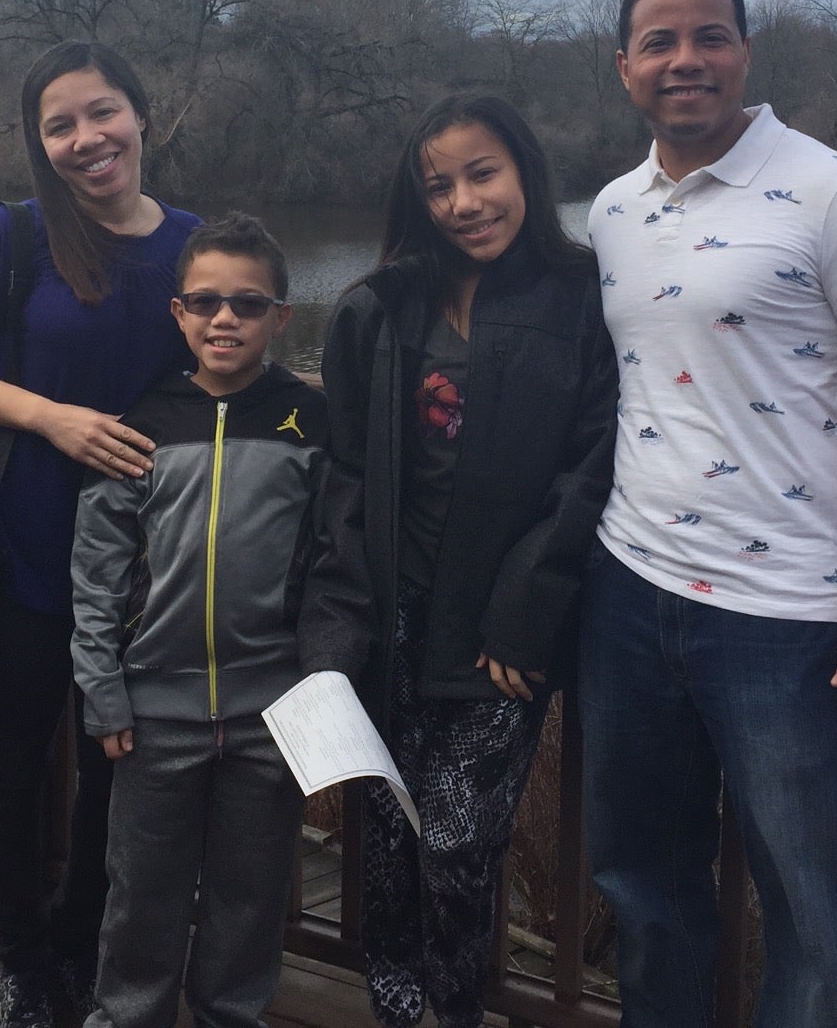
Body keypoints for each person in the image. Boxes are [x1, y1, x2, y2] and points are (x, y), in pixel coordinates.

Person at [580, 0, 837, 1028]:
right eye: (658, 42)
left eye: (709, 36)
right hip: (627, 587)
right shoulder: (613, 209)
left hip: (786, 616)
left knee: (812, 912)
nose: (684, 59)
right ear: (624, 69)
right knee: (642, 886)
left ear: (744, 52)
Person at [0, 41, 201, 1028]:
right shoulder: (14, 238)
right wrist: (51, 417)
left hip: (144, 562)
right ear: (40, 144)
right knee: (14, 761)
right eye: (61, 125)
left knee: (114, 762)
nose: (87, 139)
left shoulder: (196, 249)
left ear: (143, 116)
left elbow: (227, 371)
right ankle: (23, 959)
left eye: (102, 113)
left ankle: (85, 939)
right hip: (22, 551)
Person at [321, 92, 618, 1028]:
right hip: (391, 605)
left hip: (499, 623)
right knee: (384, 819)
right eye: (438, 186)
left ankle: (454, 1005)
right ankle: (396, 993)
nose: (464, 202)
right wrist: (336, 616)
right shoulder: (382, 304)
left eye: (481, 174)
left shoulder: (579, 295)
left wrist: (531, 602)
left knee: (454, 838)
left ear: (525, 169)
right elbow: (344, 474)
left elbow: (594, 461)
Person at [71, 212, 369, 1028]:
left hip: (268, 713)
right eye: (204, 302)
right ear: (178, 315)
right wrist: (102, 688)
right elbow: (97, 570)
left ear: (281, 316)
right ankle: (127, 1016)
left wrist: (313, 687)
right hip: (151, 714)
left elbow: (331, 566)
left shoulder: (309, 424)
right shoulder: (143, 424)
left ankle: (231, 1014)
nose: (224, 319)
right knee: (142, 892)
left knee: (250, 891)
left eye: (247, 302)